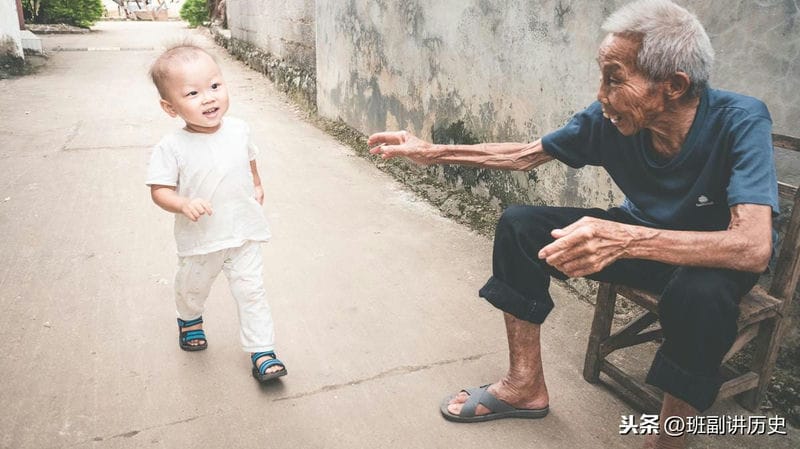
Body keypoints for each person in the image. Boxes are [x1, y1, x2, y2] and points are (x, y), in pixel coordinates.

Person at [368, 0, 777, 447]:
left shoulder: (740, 119)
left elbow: (752, 246)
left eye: (614, 79)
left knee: (699, 294)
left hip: (711, 261)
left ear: (673, 85)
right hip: (634, 241)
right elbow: (526, 155)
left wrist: (626, 239)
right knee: (519, 226)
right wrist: (430, 152)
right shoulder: (610, 119)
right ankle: (524, 387)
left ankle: (669, 436)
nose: (601, 94)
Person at [145, 43, 287, 382]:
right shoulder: (172, 147)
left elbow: (250, 158)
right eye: (192, 93)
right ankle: (189, 318)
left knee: (252, 291)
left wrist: (257, 183)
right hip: (202, 239)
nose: (209, 98)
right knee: (193, 288)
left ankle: (262, 351)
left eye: (215, 86)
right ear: (170, 107)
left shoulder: (239, 129)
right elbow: (158, 191)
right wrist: (182, 203)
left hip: (243, 233)